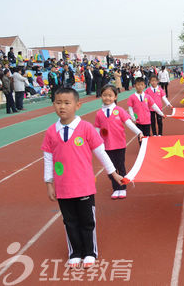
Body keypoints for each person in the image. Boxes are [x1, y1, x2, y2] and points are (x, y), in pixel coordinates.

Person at [41, 87, 123, 269]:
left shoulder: (86, 128)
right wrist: (49, 183)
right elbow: (48, 158)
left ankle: (89, 252)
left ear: (78, 105)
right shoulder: (51, 132)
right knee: (69, 221)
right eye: (58, 102)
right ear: (53, 104)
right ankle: (75, 252)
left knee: (87, 221)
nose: (62, 107)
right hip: (63, 188)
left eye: (67, 103)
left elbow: (101, 153)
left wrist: (113, 173)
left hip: (84, 186)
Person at [95, 85, 143, 200]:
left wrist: (139, 132)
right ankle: (115, 188)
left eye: (110, 95)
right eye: (105, 95)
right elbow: (96, 129)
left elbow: (129, 123)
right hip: (106, 146)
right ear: (101, 96)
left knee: (120, 166)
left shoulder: (119, 110)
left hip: (119, 145)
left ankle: (122, 188)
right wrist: (94, 142)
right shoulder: (99, 114)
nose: (107, 98)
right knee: (110, 168)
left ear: (115, 97)